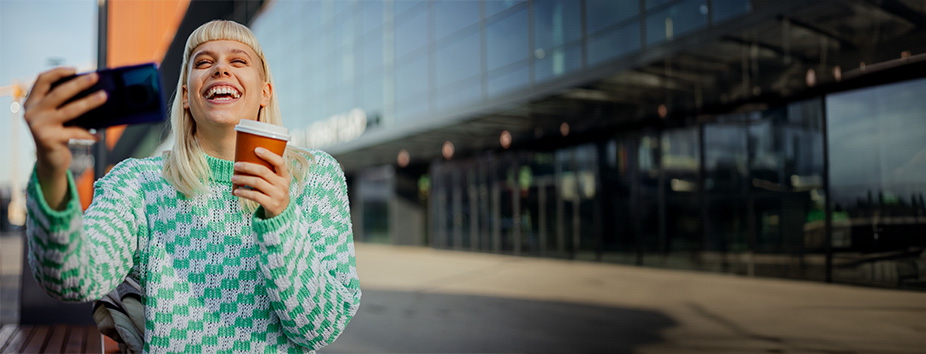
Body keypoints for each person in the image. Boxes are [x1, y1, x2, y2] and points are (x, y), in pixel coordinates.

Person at [22, 20, 361, 353]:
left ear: (264, 91)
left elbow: (321, 329)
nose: (220, 69)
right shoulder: (139, 183)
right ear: (186, 95)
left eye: (238, 60)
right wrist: (51, 170)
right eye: (203, 62)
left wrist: (281, 219)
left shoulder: (315, 177)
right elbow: (71, 276)